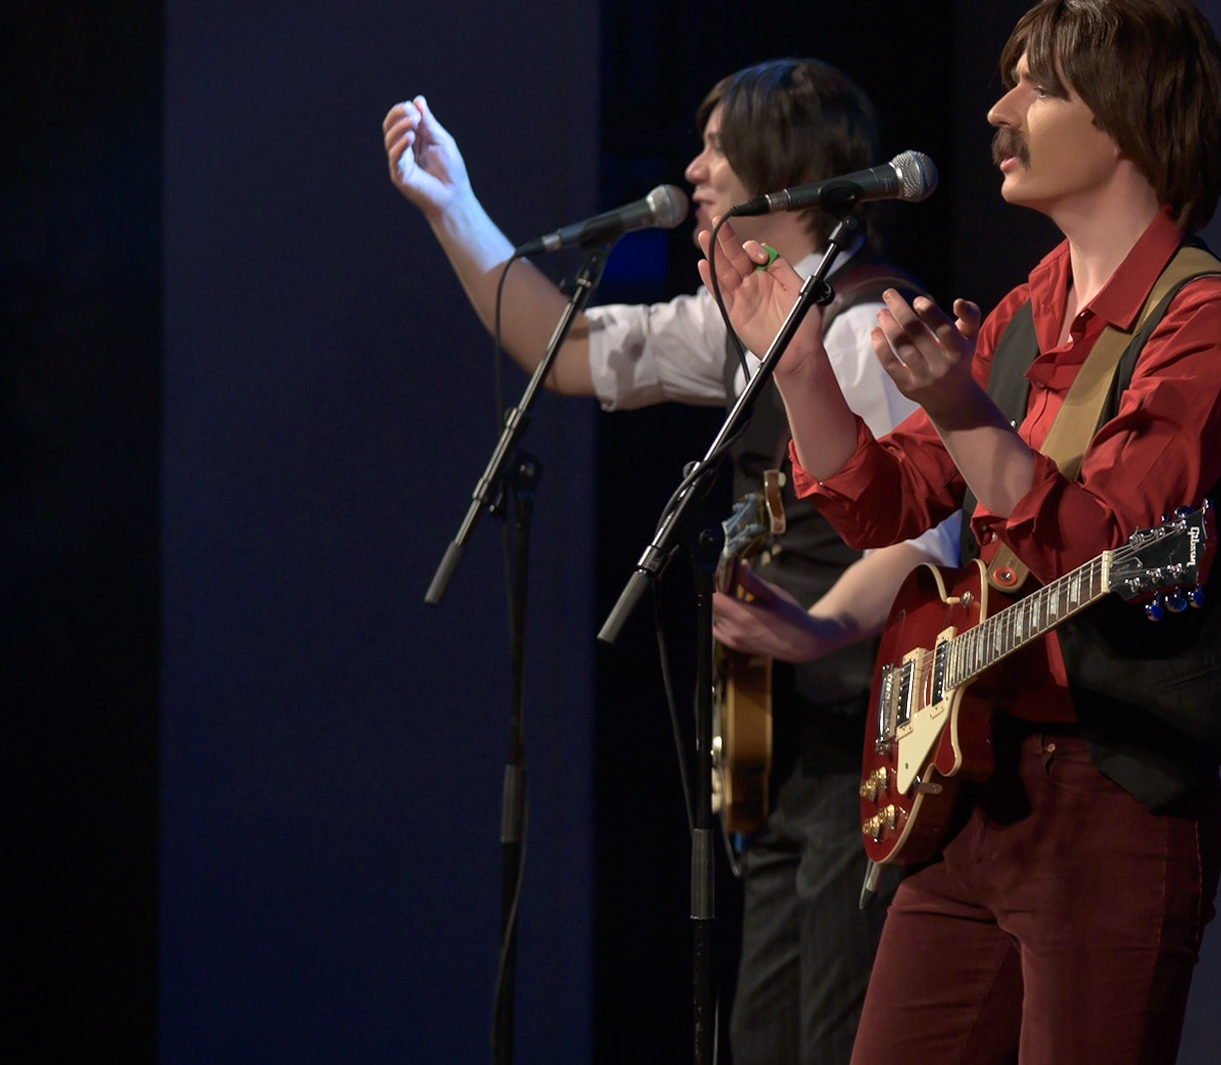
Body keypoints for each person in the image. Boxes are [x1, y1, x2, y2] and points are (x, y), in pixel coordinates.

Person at [700, 0, 1221, 1063]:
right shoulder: (1029, 307)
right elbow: (885, 500)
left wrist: (962, 405)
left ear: (1126, 116)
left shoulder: (1213, 326)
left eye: (1037, 85)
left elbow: (1103, 539)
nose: (997, 111)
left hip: (1116, 795)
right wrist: (796, 370)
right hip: (972, 786)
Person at [381, 58, 955, 1065]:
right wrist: (453, 206)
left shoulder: (866, 327)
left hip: (870, 751)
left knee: (836, 1038)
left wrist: (818, 628)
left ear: (785, 167)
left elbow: (927, 537)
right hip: (787, 759)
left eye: (718, 148)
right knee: (764, 1038)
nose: (694, 171)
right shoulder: (740, 330)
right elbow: (569, 350)